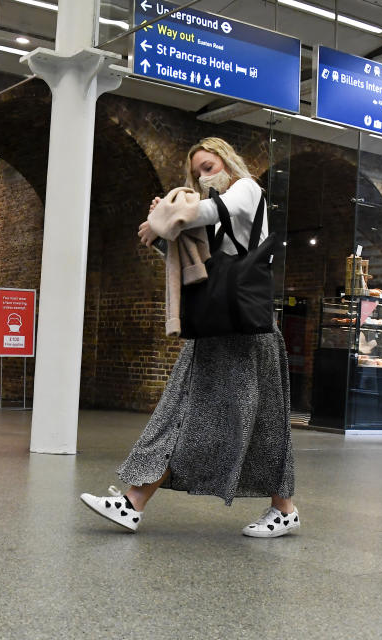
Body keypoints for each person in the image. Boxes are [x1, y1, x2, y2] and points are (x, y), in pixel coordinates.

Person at [80, 137, 298, 538]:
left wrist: (168, 215)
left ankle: (283, 509)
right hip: (217, 330)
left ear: (228, 162)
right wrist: (168, 229)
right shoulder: (205, 221)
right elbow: (196, 268)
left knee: (262, 424)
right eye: (197, 170)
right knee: (178, 414)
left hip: (249, 334)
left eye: (209, 165)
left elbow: (213, 210)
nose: (203, 175)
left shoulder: (246, 190)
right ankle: (132, 501)